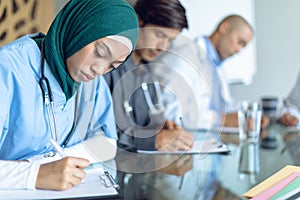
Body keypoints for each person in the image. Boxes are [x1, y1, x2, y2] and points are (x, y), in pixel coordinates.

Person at [0, 0, 138, 190]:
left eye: (112, 66)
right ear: (81, 27)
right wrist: (35, 174)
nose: (99, 69)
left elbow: (107, 144)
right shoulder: (7, 69)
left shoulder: (91, 81)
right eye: (99, 52)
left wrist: (55, 161)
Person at [104, 0, 194, 152]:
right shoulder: (108, 67)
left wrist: (160, 127)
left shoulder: (147, 72)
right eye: (159, 35)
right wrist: (155, 140)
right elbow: (103, 132)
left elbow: (146, 120)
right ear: (138, 21)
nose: (162, 47)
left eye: (170, 40)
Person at [152, 14, 269, 130]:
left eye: (243, 46)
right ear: (224, 28)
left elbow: (223, 104)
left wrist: (248, 112)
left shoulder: (217, 65)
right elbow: (172, 113)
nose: (239, 50)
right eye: (240, 42)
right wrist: (222, 120)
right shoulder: (185, 54)